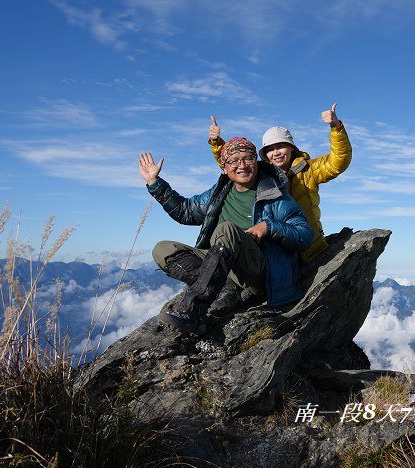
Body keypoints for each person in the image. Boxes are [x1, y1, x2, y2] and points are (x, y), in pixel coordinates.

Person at [138, 137, 313, 335]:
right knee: (162, 249)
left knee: (225, 230)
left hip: (259, 270)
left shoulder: (275, 195)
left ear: (256, 161)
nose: (242, 165)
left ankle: (192, 313)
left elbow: (304, 236)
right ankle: (225, 287)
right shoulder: (220, 192)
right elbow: (184, 211)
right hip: (223, 265)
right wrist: (154, 183)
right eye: (233, 161)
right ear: (224, 168)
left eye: (248, 158)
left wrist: (269, 226)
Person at [207, 103, 352, 263]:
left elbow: (339, 161)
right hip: (276, 249)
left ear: (291, 148)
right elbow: (234, 167)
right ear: (265, 154)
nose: (276, 152)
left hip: (309, 248)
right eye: (270, 149)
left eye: (281, 146)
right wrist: (216, 143)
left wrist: (336, 126)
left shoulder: (309, 169)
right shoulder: (261, 173)